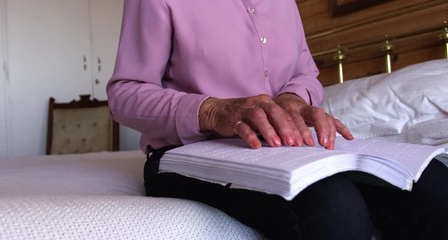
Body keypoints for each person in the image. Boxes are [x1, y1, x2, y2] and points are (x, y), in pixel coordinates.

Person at [107, 0, 448, 239]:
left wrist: (292, 98)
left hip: (283, 147)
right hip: (186, 153)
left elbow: (306, 73)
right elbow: (124, 92)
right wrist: (213, 111)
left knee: (432, 184)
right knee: (335, 208)